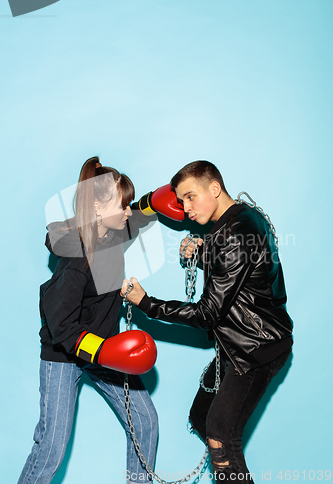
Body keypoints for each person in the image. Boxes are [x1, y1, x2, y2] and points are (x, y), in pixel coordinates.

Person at [121, 160, 293, 484]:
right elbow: (244, 273)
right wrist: (202, 254)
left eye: (190, 197)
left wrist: (146, 303)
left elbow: (207, 314)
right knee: (202, 417)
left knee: (220, 435)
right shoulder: (241, 218)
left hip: (256, 350)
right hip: (237, 342)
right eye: (181, 200)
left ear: (214, 189)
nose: (185, 209)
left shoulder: (237, 233)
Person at [18, 156, 183, 484]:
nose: (126, 212)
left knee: (145, 422)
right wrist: (106, 352)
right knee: (51, 447)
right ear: (96, 208)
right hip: (65, 356)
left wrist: (156, 199)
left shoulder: (112, 233)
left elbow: (136, 216)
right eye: (120, 206)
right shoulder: (78, 258)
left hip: (103, 350)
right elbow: (60, 322)